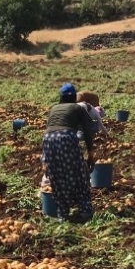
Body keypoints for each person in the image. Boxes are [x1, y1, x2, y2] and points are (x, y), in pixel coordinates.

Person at [42, 83, 95, 222]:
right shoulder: (77, 108)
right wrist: (91, 153)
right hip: (66, 138)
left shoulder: (54, 108)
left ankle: (63, 214)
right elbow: (88, 131)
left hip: (49, 140)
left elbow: (48, 132)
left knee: (57, 177)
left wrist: (45, 160)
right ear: (73, 97)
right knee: (80, 174)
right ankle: (85, 211)